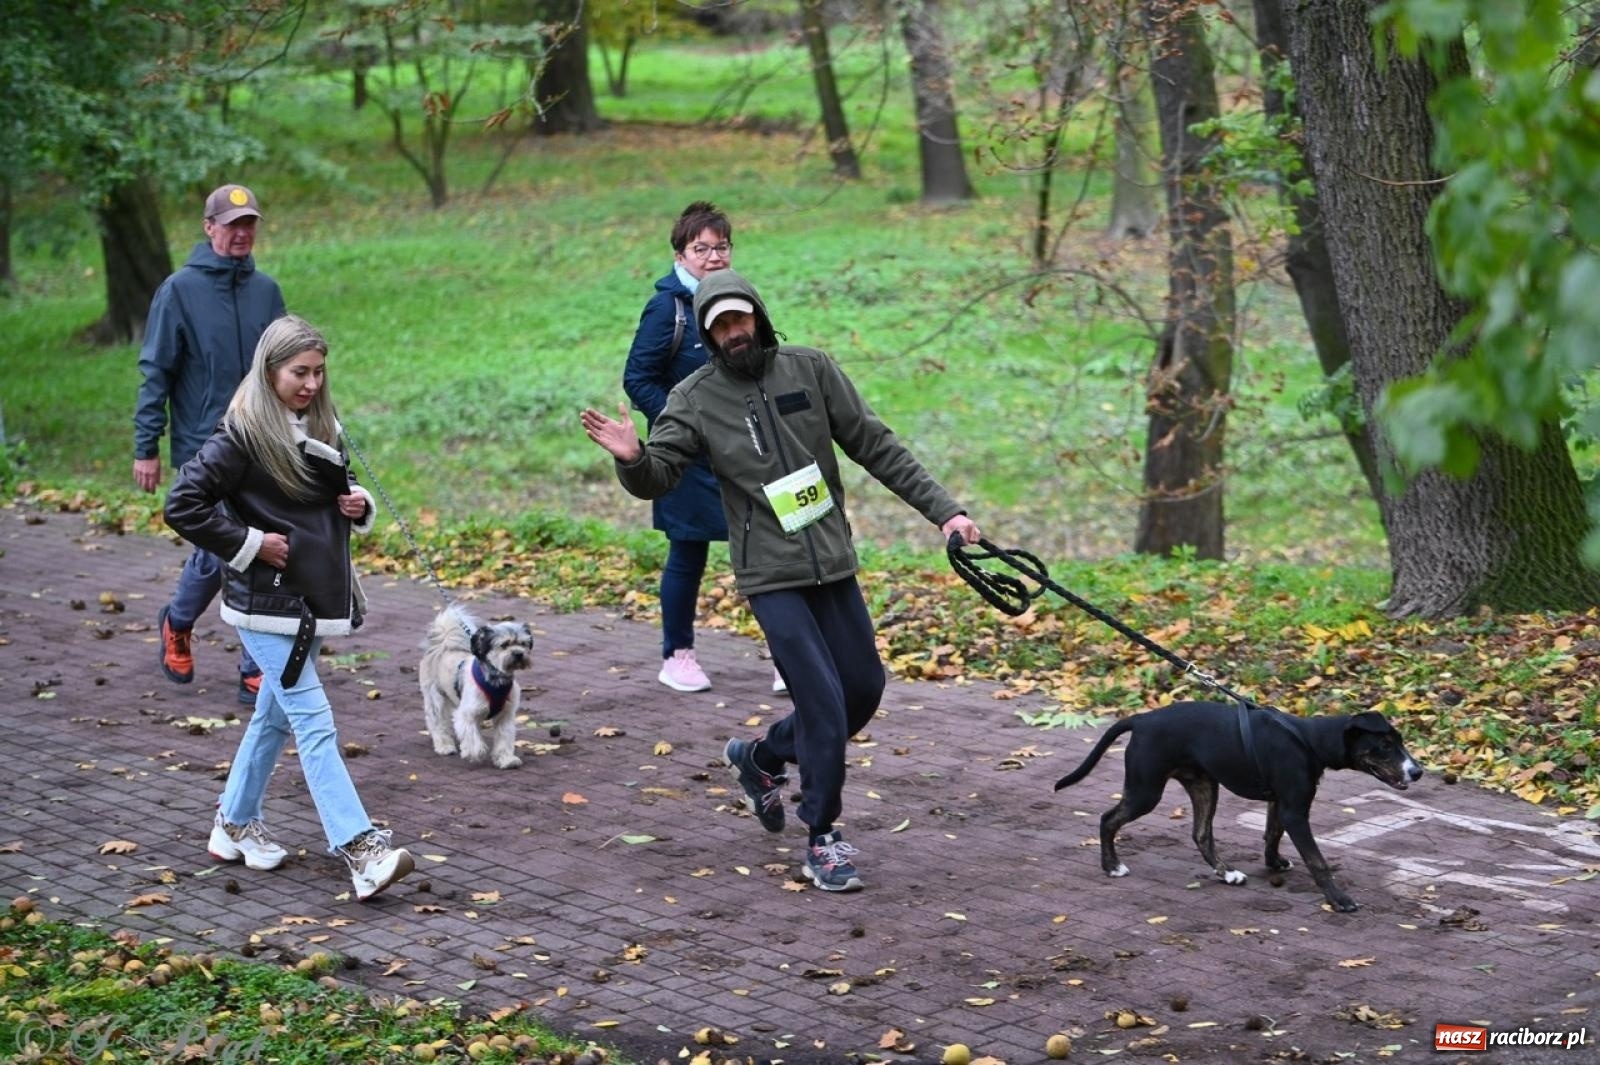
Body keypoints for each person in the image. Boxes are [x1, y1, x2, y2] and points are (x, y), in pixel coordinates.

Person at [582, 270, 980, 893]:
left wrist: (946, 511)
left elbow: (874, 443)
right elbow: (659, 475)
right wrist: (632, 458)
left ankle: (761, 758)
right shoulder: (693, 398)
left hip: (831, 559)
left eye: (740, 320)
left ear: (759, 318)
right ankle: (823, 837)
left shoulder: (810, 369)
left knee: (862, 690)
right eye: (720, 327)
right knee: (821, 698)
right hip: (770, 572)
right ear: (709, 338)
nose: (734, 333)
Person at [163, 314, 414, 902]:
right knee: (313, 718)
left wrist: (357, 504)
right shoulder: (241, 435)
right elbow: (184, 504)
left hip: (312, 596)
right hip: (268, 605)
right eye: (299, 372)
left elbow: (330, 497)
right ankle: (361, 850)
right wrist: (251, 544)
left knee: (274, 717)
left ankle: (233, 824)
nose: (311, 383)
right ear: (269, 369)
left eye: (318, 372)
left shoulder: (320, 424)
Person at [621, 201, 785, 695]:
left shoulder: (739, 299)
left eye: (721, 246)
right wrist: (681, 421)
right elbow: (637, 378)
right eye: (701, 248)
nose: (713, 256)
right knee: (687, 552)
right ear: (680, 254)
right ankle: (678, 656)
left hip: (744, 451)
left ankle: (788, 655)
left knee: (768, 551)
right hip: (687, 460)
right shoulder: (666, 309)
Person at [135, 183, 288, 705]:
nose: (243, 233)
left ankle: (255, 666)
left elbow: (285, 366)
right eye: (232, 224)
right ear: (209, 228)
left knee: (262, 546)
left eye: (250, 225)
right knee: (224, 549)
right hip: (206, 444)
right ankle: (178, 622)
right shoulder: (179, 290)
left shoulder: (267, 291)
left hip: (264, 440)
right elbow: (156, 370)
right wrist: (145, 445)